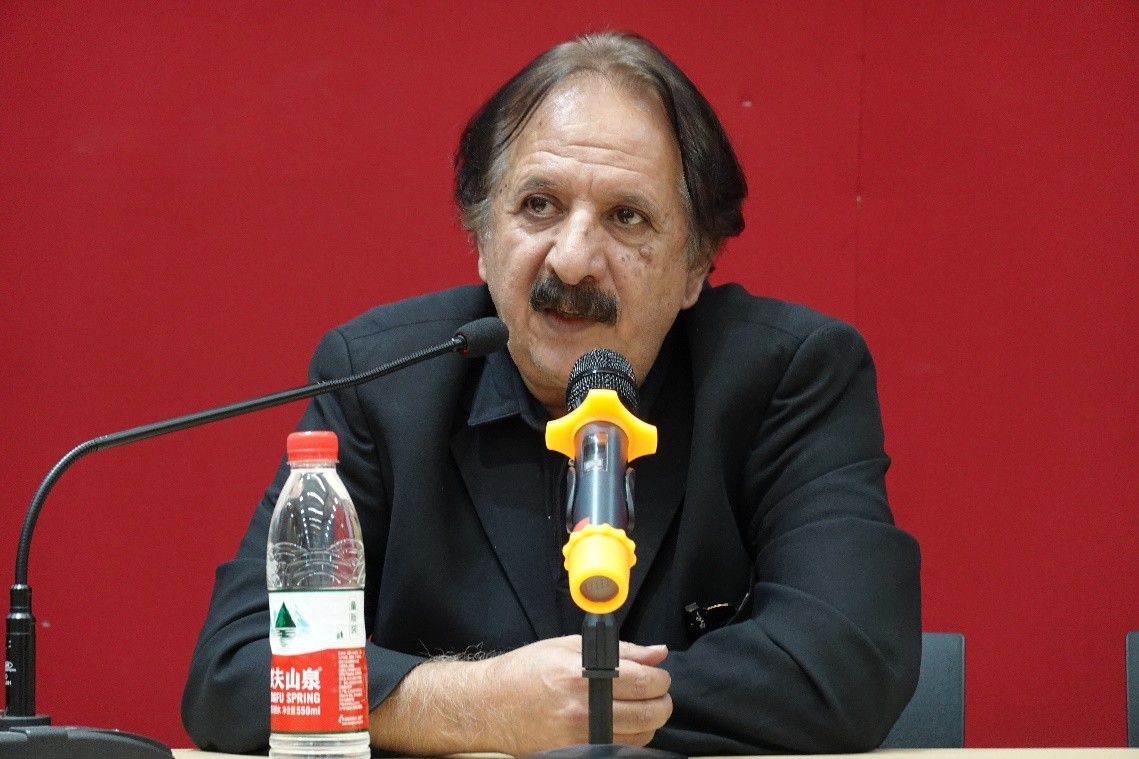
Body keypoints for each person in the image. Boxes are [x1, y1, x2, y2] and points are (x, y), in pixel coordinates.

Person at [182, 31, 921, 756]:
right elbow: (235, 671)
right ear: (481, 235)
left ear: (697, 263)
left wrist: (583, 707)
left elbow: (847, 662)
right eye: (539, 205)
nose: (571, 261)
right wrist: (475, 706)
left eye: (626, 216)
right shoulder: (382, 379)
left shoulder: (785, 378)